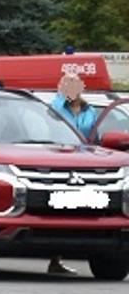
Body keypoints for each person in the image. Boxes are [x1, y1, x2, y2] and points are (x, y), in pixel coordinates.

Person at [47, 72, 103, 275]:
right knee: (58, 208)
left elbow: (95, 136)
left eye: (74, 83)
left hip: (86, 160)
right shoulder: (55, 107)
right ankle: (55, 258)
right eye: (67, 83)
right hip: (60, 159)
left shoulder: (91, 111)